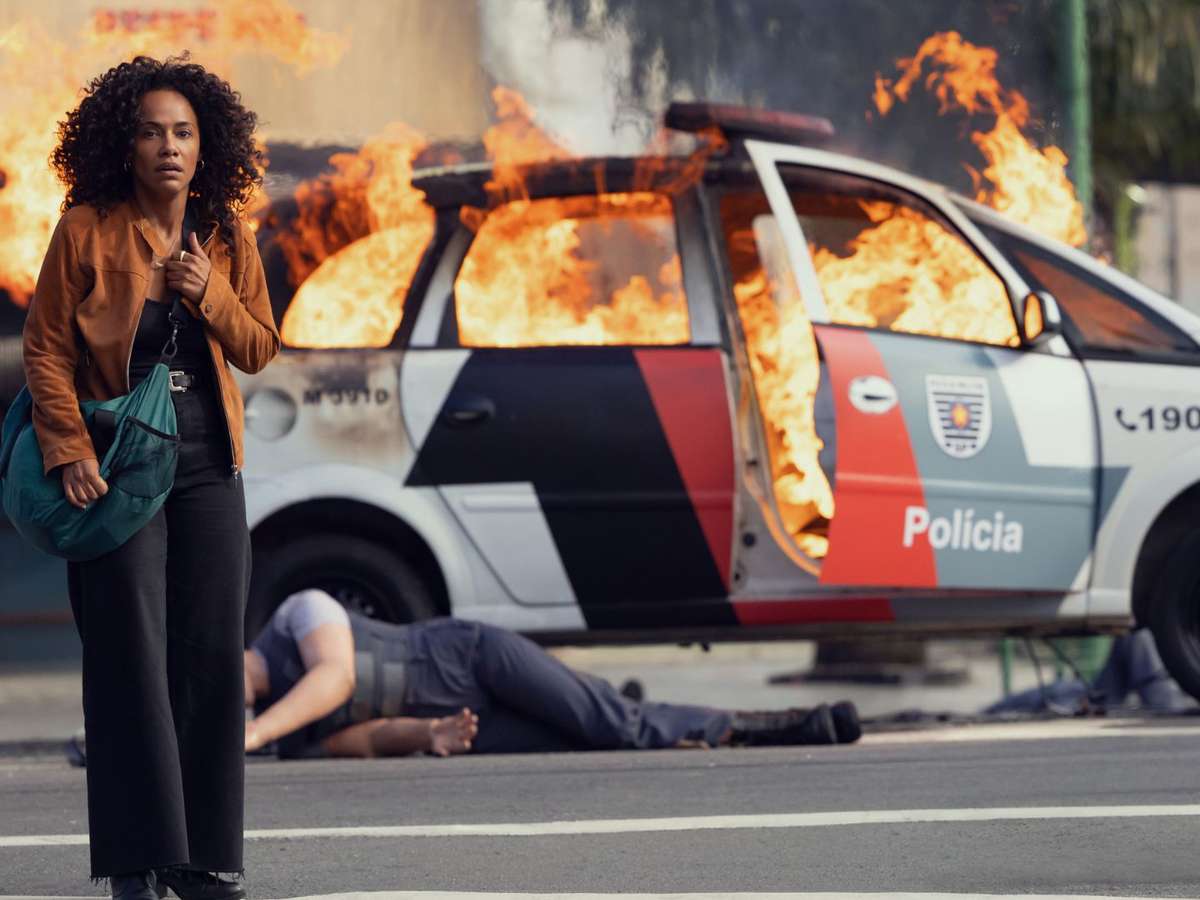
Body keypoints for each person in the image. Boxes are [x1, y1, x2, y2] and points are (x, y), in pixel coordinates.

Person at [24, 56, 279, 900]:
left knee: (209, 657)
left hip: (208, 464)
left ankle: (197, 860)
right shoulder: (86, 230)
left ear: (207, 147)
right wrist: (68, 448)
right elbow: (45, 350)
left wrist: (209, 293)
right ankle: (136, 862)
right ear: (123, 145)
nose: (169, 147)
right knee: (128, 658)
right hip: (118, 465)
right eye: (150, 132)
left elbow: (259, 348)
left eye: (183, 133)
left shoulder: (226, 235)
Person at [245, 589, 863, 759]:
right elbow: (368, 738)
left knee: (616, 725)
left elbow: (338, 679)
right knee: (590, 735)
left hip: (473, 657)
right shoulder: (290, 737)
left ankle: (786, 726)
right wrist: (428, 735)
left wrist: (253, 734)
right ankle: (610, 700)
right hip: (462, 721)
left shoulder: (298, 612)